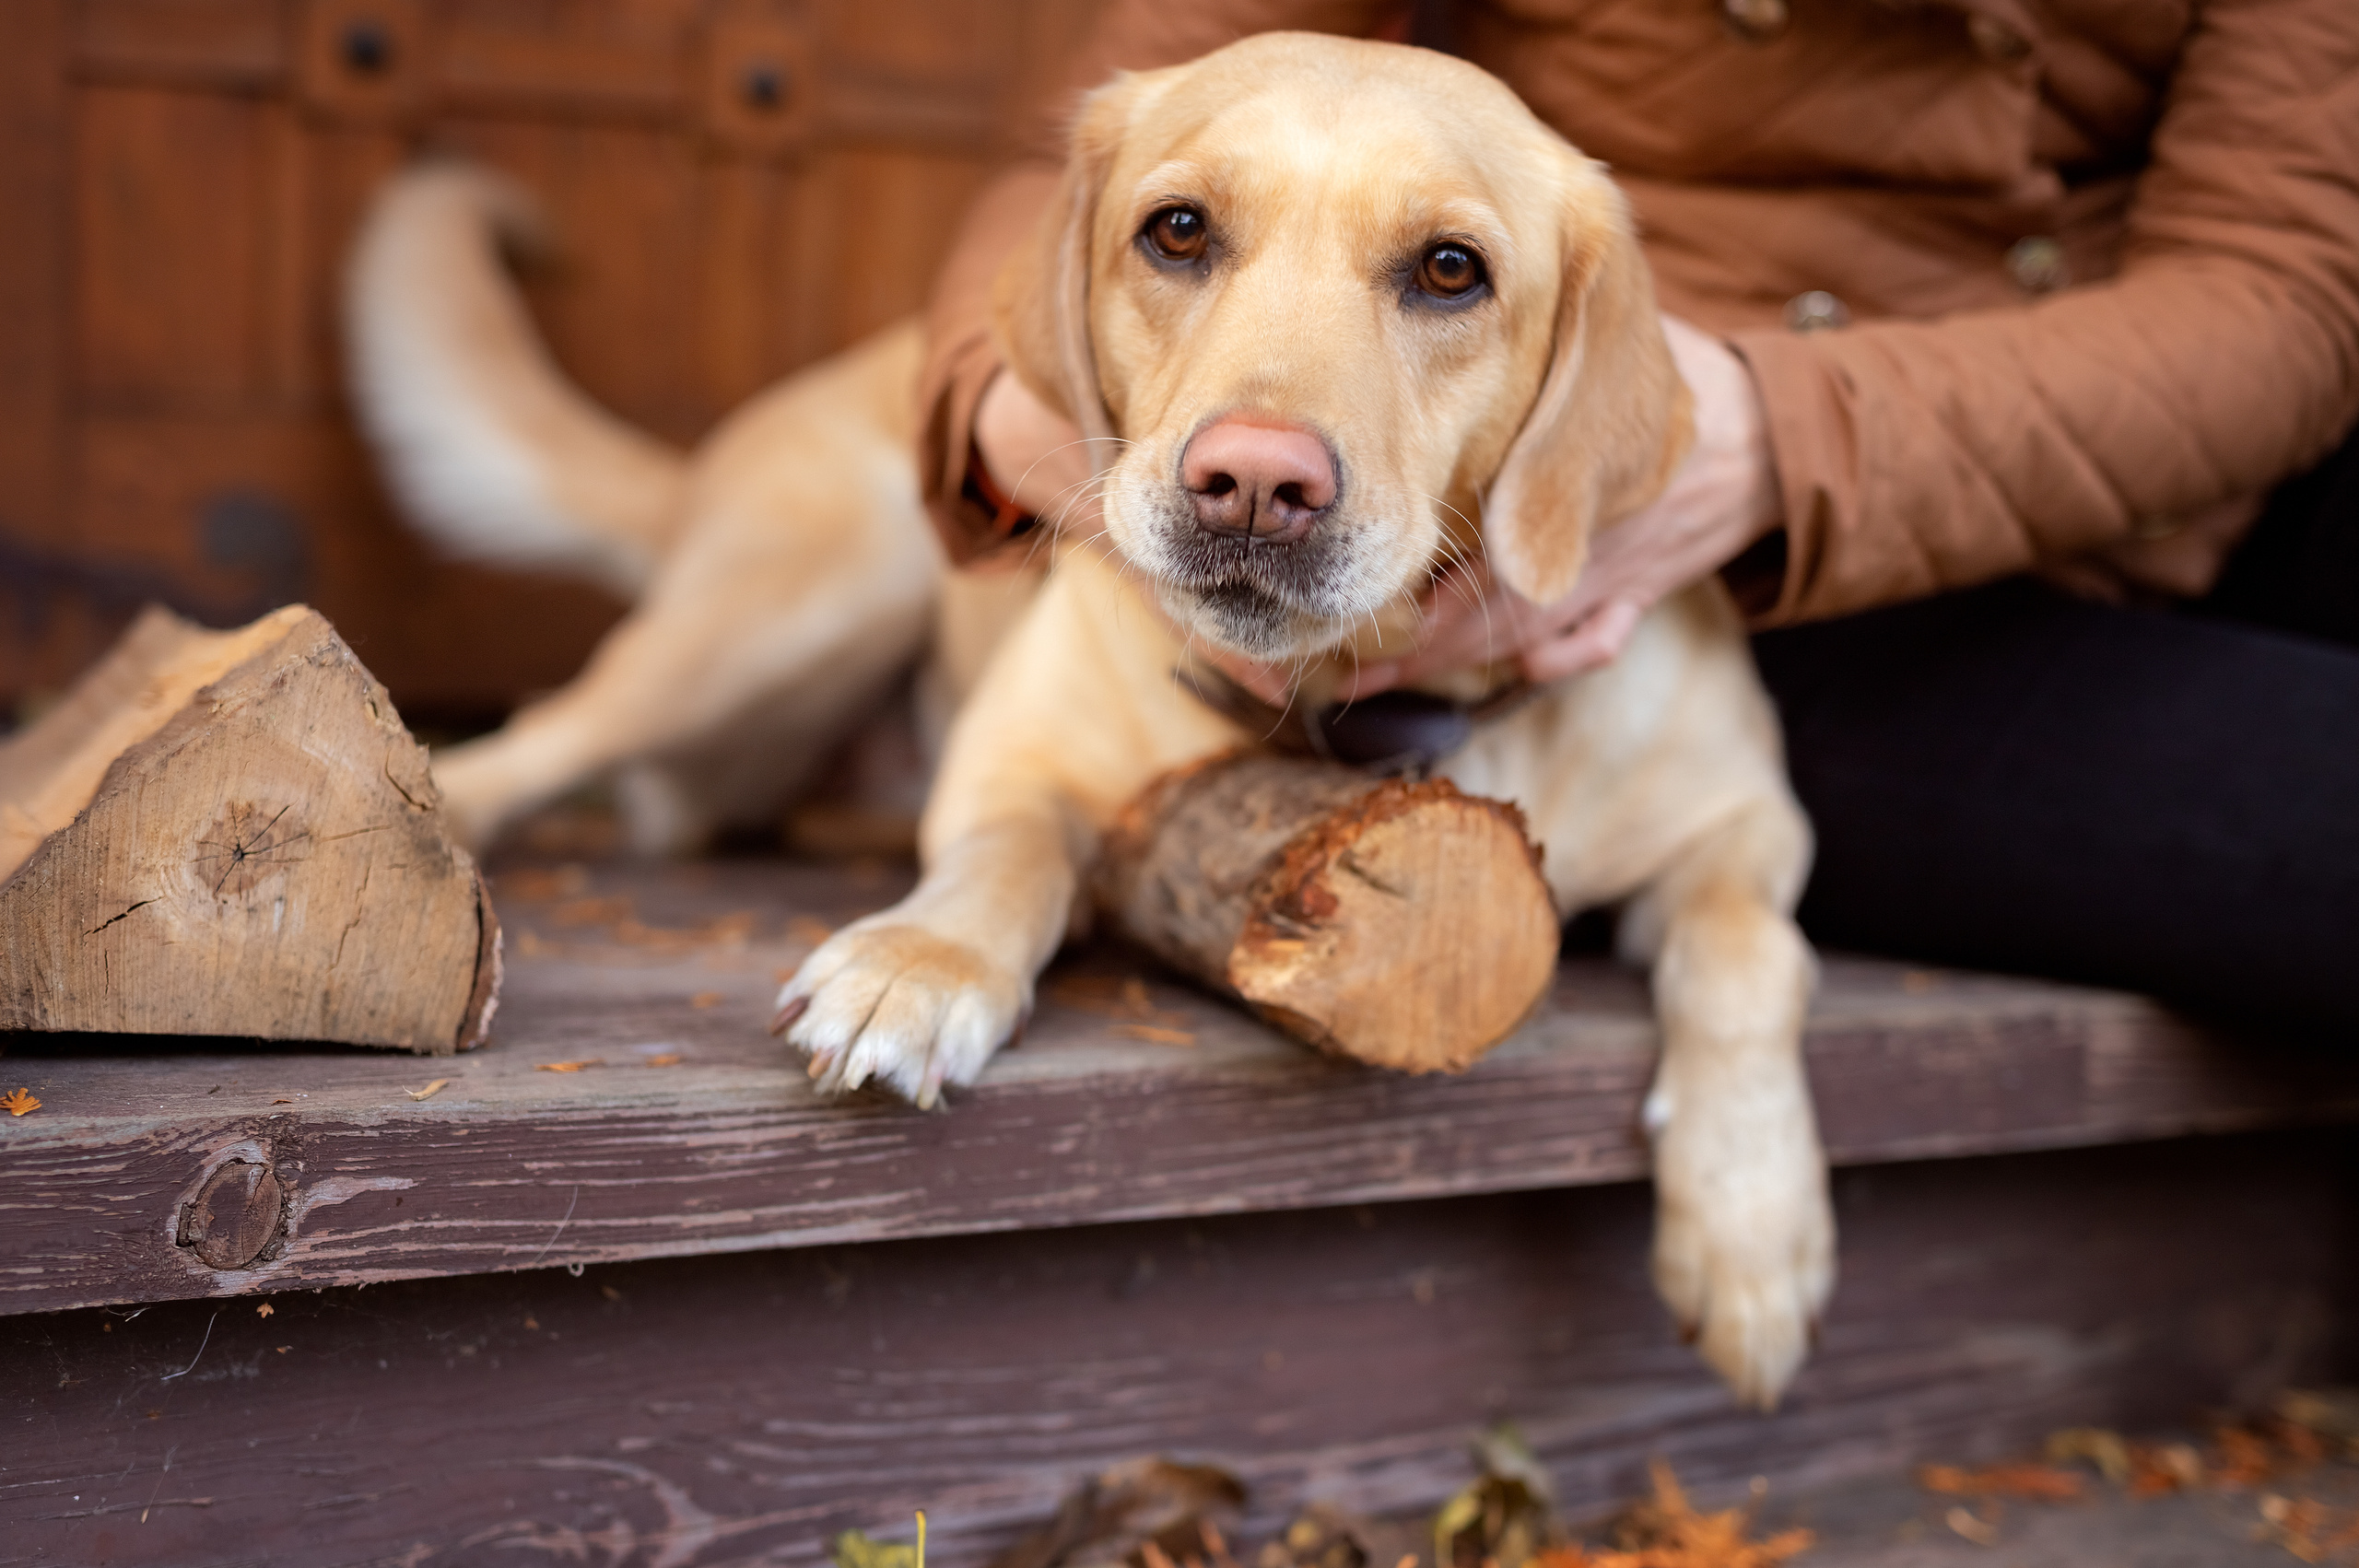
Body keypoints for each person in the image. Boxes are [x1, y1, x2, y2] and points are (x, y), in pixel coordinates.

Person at [918, 0, 2359, 1030]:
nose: (1257, 473)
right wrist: (1008, 418)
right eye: (1182, 234)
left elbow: (2294, 285)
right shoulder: (1206, 389)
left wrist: (1784, 438)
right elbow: (1133, 96)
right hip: (1701, 555)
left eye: (1442, 271)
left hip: (2061, 491)